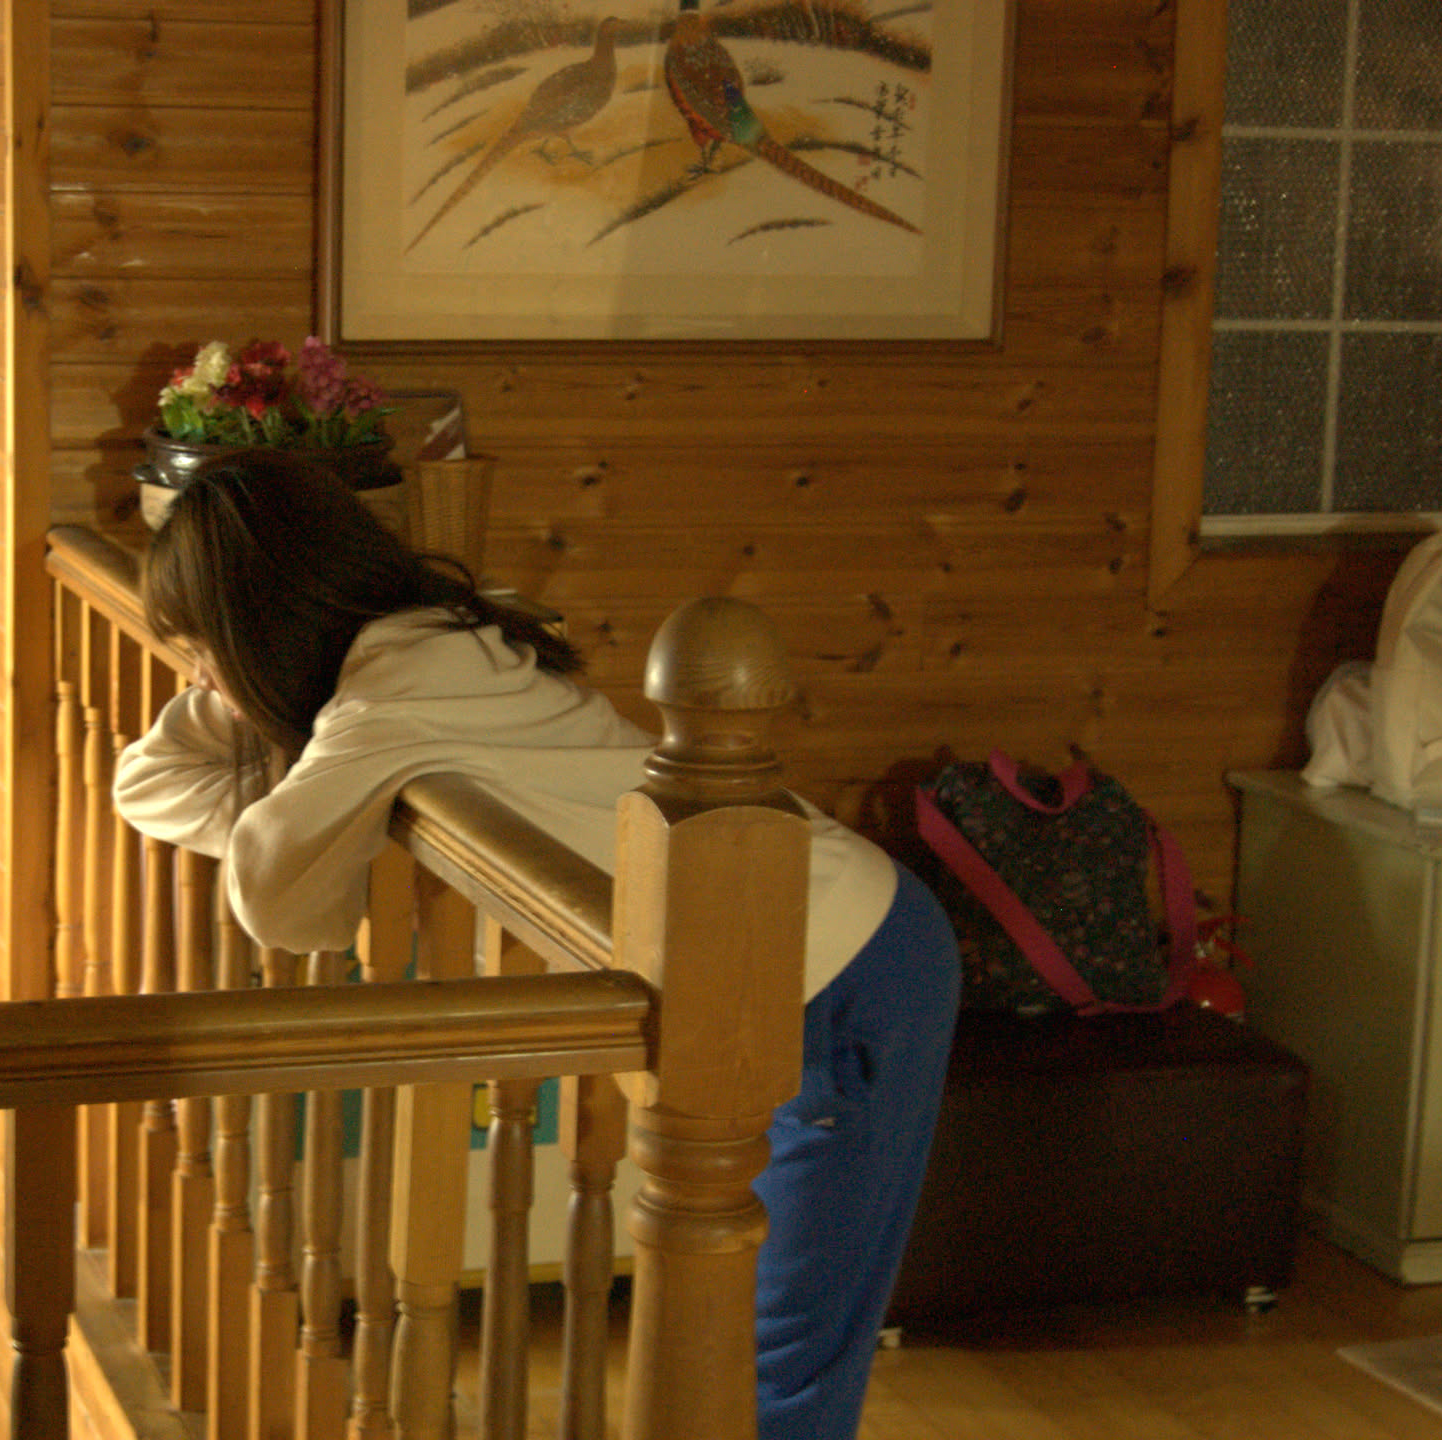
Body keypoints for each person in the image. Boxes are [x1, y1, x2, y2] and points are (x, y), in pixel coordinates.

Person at [112, 449, 960, 1440]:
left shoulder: (385, 709)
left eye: (202, 652)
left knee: (780, 1354)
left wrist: (287, 747)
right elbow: (150, 782)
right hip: (803, 936)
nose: (199, 681)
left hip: (839, 964)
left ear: (259, 625)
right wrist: (252, 699)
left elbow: (278, 896)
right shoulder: (432, 643)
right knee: (756, 1341)